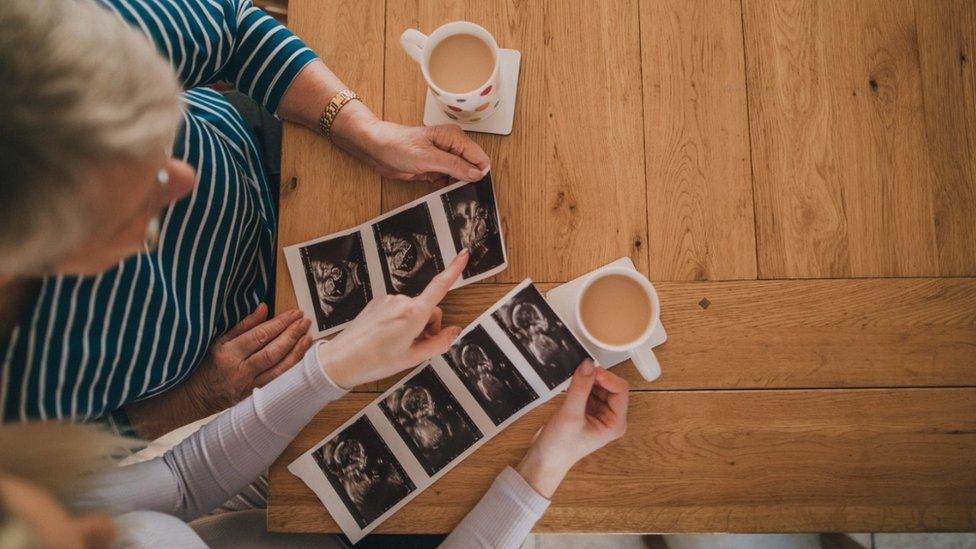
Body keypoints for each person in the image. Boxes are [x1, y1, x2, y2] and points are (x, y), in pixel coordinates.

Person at [0, 0, 490, 438]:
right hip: (259, 355)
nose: (184, 178)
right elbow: (77, 463)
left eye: (157, 138)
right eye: (140, 199)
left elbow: (232, 27)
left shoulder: (54, 41)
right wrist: (191, 400)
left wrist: (362, 131)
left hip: (267, 149)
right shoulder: (21, 397)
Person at [0, 253, 631, 548]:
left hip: (287, 518)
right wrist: (543, 467)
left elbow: (182, 482)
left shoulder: (22, 514)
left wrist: (334, 367)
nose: (107, 532)